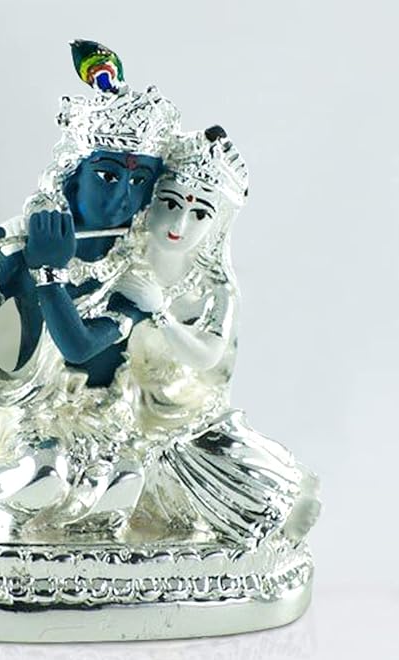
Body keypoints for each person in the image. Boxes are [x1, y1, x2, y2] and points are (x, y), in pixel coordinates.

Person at [0, 43, 182, 538]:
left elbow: (80, 346)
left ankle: (70, 543)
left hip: (97, 416)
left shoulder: (138, 275)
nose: (123, 197)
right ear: (71, 178)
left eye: (139, 180)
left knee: (127, 483)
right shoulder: (24, 241)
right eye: (107, 176)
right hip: (21, 414)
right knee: (44, 476)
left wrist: (50, 276)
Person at [114, 126, 320, 552]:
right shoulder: (122, 266)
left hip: (189, 415)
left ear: (217, 223)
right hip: (123, 413)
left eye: (199, 214)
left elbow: (208, 355)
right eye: (170, 204)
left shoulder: (214, 289)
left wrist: (160, 314)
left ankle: (276, 500)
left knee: (210, 464)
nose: (179, 224)